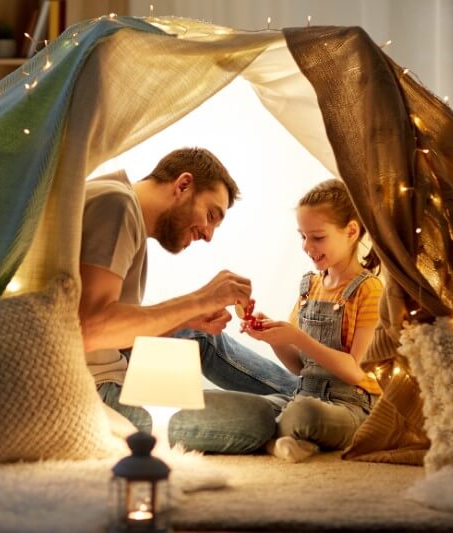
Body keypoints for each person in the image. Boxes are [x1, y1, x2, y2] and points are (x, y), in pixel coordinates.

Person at [79, 147, 296, 453]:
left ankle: (307, 397)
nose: (208, 235)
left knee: (194, 333)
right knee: (258, 418)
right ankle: (307, 406)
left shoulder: (115, 198)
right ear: (182, 185)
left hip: (110, 364)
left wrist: (189, 318)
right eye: (211, 215)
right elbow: (90, 328)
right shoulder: (116, 205)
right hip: (95, 392)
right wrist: (200, 299)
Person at [241, 178, 384, 462]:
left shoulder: (369, 289)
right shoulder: (309, 286)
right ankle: (288, 438)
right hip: (304, 393)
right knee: (248, 410)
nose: (307, 246)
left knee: (302, 414)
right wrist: (273, 338)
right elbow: (298, 366)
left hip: (351, 406)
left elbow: (357, 371)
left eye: (317, 237)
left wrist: (297, 337)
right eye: (302, 236)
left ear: (351, 231)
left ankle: (276, 438)